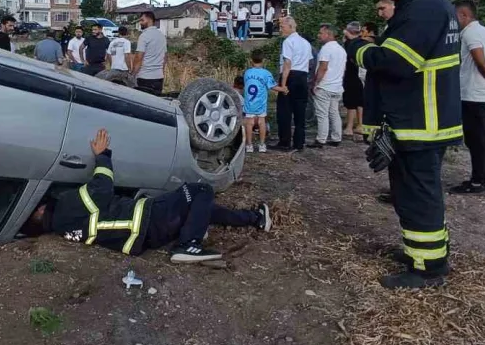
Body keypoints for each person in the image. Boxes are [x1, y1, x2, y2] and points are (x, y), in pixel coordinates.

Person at [354, 0, 462, 289]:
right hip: (419, 122)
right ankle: (422, 252)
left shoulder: (424, 10)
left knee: (418, 194)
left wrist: (360, 50)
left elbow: (395, 63)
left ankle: (429, 268)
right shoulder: (430, 7)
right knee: (411, 193)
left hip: (421, 124)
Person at [18, 128, 271, 262]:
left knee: (199, 208)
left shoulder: (62, 227)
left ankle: (254, 218)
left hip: (144, 238)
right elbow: (101, 189)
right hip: (145, 219)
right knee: (200, 190)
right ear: (39, 213)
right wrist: (102, 155)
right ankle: (188, 245)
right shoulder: (63, 208)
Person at [450, 0, 485, 194]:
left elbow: (480, 61)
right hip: (479, 94)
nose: (453, 21)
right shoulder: (484, 31)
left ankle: (479, 181)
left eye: (454, 16)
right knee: (478, 139)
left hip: (475, 96)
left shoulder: (471, 33)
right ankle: (479, 178)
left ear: (463, 15)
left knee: (477, 140)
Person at [271, 16, 312, 152]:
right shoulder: (306, 43)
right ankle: (299, 142)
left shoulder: (288, 42)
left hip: (291, 76)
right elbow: (310, 61)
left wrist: (283, 84)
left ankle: (285, 141)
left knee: (284, 111)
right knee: (300, 111)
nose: (281, 29)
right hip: (303, 76)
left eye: (282, 26)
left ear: (290, 27)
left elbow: (287, 63)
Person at [242, 51, 285, 153]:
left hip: (249, 103)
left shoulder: (247, 73)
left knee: (249, 124)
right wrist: (283, 89)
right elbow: (272, 86)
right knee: (262, 123)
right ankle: (261, 144)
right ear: (263, 61)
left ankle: (249, 145)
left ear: (251, 61)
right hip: (260, 103)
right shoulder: (266, 74)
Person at [311, 24, 346, 148]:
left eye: (321, 33)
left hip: (325, 86)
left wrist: (315, 83)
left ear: (328, 34)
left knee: (322, 114)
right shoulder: (341, 50)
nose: (319, 35)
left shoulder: (326, 49)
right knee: (334, 112)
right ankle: (337, 137)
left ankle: (321, 139)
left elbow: (323, 67)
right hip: (337, 86)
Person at [132, 11, 167, 94]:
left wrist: (133, 74)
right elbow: (165, 57)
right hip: (159, 78)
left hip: (145, 78)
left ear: (149, 20)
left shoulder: (144, 36)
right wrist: (160, 71)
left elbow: (138, 58)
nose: (140, 23)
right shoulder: (162, 36)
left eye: (142, 20)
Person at [342, 22, 365, 141]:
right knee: (360, 101)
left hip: (351, 74)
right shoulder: (364, 43)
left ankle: (350, 127)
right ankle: (360, 125)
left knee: (351, 102)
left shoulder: (349, 44)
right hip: (362, 75)